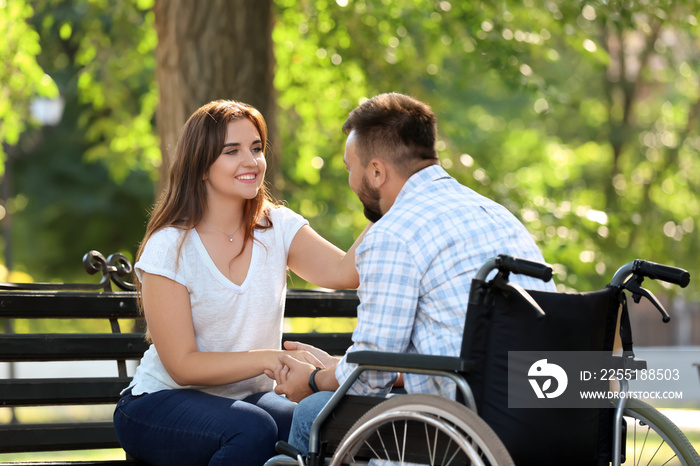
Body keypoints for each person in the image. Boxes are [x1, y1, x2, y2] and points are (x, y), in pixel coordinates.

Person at [266, 92, 557, 455]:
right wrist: (340, 366)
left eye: (349, 167)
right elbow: (456, 349)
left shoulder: (394, 233)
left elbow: (369, 379)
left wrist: (313, 379)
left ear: (376, 171)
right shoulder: (497, 215)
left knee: (313, 412)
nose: (351, 180)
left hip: (466, 424)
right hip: (545, 407)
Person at [112, 99, 368, 466]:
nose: (251, 161)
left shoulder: (276, 227)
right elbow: (183, 366)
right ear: (201, 166)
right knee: (252, 429)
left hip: (246, 402)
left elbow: (347, 270)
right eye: (232, 151)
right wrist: (271, 357)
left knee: (317, 419)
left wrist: (388, 199)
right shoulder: (170, 246)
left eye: (256, 148)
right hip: (157, 405)